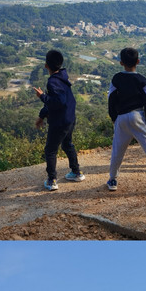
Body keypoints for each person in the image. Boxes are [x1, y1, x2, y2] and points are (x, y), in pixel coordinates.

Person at [106, 47, 146, 195]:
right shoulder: (142, 80)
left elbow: (111, 100)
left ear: (121, 62)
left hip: (121, 118)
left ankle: (112, 180)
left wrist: (114, 119)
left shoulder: (116, 79)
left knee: (117, 152)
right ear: (138, 61)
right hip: (138, 116)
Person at [35, 49, 85, 191]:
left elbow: (58, 102)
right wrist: (42, 115)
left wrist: (42, 96)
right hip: (70, 119)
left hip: (59, 122)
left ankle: (51, 181)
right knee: (67, 144)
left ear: (46, 65)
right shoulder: (63, 77)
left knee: (50, 150)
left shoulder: (52, 82)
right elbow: (55, 103)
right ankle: (76, 172)